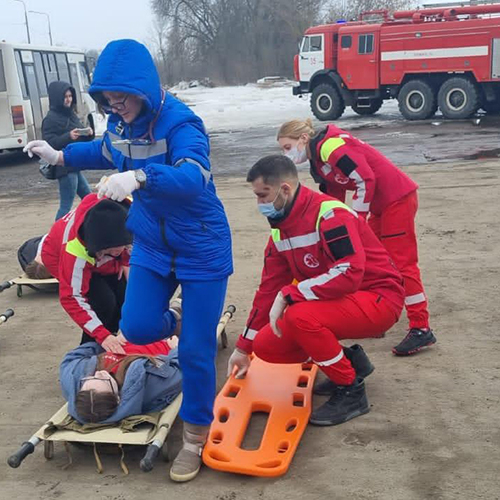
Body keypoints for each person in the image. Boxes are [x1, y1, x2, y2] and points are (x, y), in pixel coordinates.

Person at [24, 39, 233, 482]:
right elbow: (103, 150)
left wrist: (140, 176)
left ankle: (195, 438)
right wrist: (59, 156)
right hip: (153, 243)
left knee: (195, 351)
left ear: (145, 90)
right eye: (108, 101)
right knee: (135, 327)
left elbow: (193, 177)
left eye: (122, 99)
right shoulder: (120, 123)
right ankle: (178, 319)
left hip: (200, 244)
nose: (115, 108)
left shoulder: (181, 123)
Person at [227, 155, 405, 426]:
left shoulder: (331, 215)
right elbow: (267, 290)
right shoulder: (280, 230)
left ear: (285, 189)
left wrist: (290, 294)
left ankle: (350, 390)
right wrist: (243, 348)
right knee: (266, 345)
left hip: (379, 298)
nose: (260, 204)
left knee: (300, 316)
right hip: (340, 300)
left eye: (263, 195)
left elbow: (349, 272)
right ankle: (350, 361)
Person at [276, 119, 436, 356]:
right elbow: (333, 197)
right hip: (382, 204)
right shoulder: (318, 160)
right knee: (370, 260)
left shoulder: (329, 147)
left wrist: (356, 219)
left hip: (396, 199)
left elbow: (365, 178)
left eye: (287, 147)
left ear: (303, 139)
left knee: (402, 264)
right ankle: (376, 312)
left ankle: (421, 327)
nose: (286, 154)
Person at [60, 337, 182, 424]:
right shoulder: (149, 386)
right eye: (104, 380)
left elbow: (72, 357)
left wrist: (103, 342)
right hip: (163, 340)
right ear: (118, 398)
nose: (99, 373)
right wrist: (176, 348)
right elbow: (181, 370)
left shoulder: (73, 379)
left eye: (90, 378)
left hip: (120, 338)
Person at [42, 81, 93, 220]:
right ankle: (56, 231)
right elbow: (49, 144)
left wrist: (88, 134)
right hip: (64, 168)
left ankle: (90, 225)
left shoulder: (71, 115)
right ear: (57, 98)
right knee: (66, 206)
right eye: (65, 97)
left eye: (70, 96)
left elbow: (82, 139)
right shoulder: (50, 119)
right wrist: (68, 136)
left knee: (89, 198)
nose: (68, 99)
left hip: (74, 164)